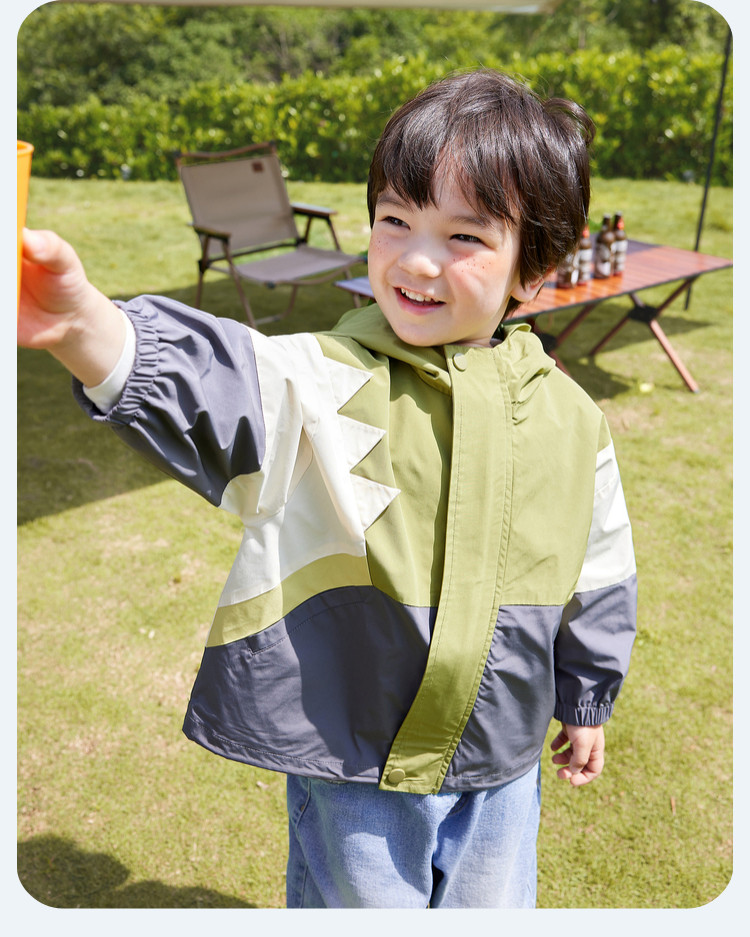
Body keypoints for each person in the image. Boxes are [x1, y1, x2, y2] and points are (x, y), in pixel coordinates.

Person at [17, 68, 637, 909]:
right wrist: (84, 324)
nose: (416, 258)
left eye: (464, 236)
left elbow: (601, 568)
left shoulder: (572, 419)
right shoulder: (323, 381)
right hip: (354, 758)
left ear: (534, 267)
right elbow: (218, 383)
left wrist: (587, 696)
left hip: (503, 755)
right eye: (395, 219)